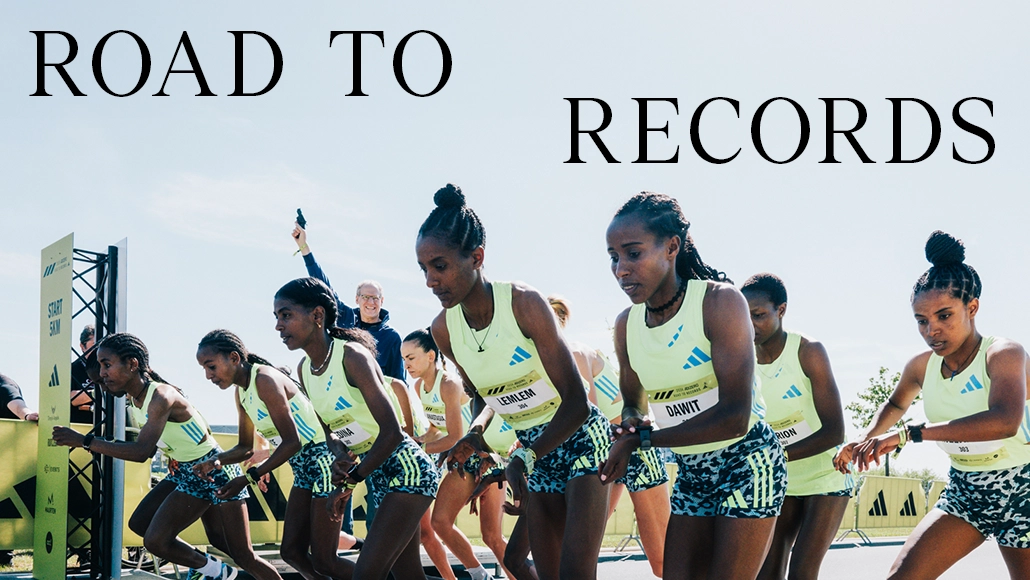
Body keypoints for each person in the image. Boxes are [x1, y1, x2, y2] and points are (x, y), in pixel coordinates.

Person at [416, 184, 612, 580]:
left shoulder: (524, 304)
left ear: (477, 257)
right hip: (532, 453)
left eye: (440, 266)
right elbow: (484, 398)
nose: (429, 280)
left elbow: (576, 401)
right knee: (540, 570)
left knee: (575, 573)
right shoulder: (444, 330)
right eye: (423, 269)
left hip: (579, 441)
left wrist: (526, 455)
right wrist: (475, 437)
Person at [601, 192, 785, 580]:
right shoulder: (626, 325)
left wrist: (644, 441)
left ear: (671, 247)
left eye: (633, 253)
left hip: (747, 461)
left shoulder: (719, 303)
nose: (621, 269)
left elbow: (736, 417)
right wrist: (631, 425)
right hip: (691, 471)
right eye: (613, 257)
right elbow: (633, 402)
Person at [836, 231, 1030, 580]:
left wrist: (909, 435)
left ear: (972, 308)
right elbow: (896, 402)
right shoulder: (921, 367)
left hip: (1024, 488)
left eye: (944, 316)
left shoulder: (1003, 354)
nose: (932, 330)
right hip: (967, 491)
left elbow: (1004, 421)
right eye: (921, 321)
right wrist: (867, 438)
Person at [52, 333, 280, 580]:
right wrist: (173, 452)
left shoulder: (161, 396)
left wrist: (84, 441)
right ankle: (210, 570)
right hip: (186, 469)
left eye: (107, 365)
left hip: (212, 470)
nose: (103, 377)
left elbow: (141, 452)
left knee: (231, 553)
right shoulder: (134, 398)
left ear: (132, 364)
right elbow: (170, 436)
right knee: (140, 524)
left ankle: (217, 572)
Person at [274, 277, 440, 580]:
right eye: (277, 317)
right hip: (377, 476)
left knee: (367, 574)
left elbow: (391, 432)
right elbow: (331, 431)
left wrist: (350, 482)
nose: (278, 326)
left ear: (317, 315)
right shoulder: (304, 371)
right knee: (408, 576)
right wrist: (339, 455)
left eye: (286, 315)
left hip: (408, 472)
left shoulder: (352, 356)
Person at [194, 329, 345, 580]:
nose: (208, 375)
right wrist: (215, 461)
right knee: (291, 553)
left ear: (234, 358)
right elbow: (245, 447)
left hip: (325, 463)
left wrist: (249, 477)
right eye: (204, 369)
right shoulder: (241, 392)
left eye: (211, 366)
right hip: (304, 468)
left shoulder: (264, 379)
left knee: (325, 561)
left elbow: (292, 442)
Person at [548, 295, 670, 578]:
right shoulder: (548, 362)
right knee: (581, 552)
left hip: (631, 451)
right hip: (603, 459)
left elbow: (585, 421)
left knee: (662, 561)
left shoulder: (573, 353)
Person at [740, 274, 853, 580]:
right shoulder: (740, 360)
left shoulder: (808, 351)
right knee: (768, 572)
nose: (750, 324)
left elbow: (834, 432)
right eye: (744, 316)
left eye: (759, 315)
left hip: (826, 477)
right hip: (781, 480)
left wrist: (773, 456)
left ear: (781, 310)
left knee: (802, 569)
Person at [402, 328, 517, 580]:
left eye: (411, 357)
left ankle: (498, 576)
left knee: (488, 536)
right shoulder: (420, 386)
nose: (406, 364)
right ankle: (480, 575)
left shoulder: (449, 384)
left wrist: (416, 449)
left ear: (431, 356)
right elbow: (436, 427)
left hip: (481, 456)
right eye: (403, 358)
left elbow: (455, 437)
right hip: (467, 457)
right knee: (452, 526)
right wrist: (417, 440)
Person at [291, 223, 406, 380]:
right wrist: (304, 246)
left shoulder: (392, 337)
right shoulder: (346, 317)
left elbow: (398, 379)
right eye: (365, 297)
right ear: (357, 299)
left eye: (375, 298)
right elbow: (323, 285)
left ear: (382, 301)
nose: (370, 302)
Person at [70, 325, 96, 423]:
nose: (98, 349)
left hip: (106, 430)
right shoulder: (72, 369)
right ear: (82, 346)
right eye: (94, 344)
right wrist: (98, 393)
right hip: (79, 429)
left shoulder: (109, 368)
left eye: (101, 344)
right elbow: (73, 398)